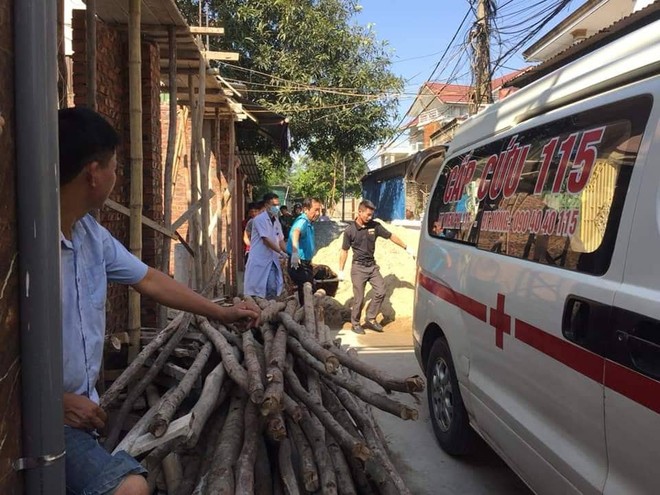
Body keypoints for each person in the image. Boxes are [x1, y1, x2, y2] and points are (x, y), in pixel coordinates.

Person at [58, 107, 261, 495]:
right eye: (115, 168)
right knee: (131, 487)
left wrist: (221, 312)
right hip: (38, 419)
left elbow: (150, 279)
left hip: (81, 414)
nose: (118, 178)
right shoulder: (28, 246)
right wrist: (53, 402)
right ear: (93, 173)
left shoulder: (90, 235)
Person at [338, 199, 415, 334]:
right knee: (359, 298)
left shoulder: (375, 226)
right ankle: (355, 323)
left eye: (371, 214)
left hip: (372, 267)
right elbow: (344, 250)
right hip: (358, 268)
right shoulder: (350, 231)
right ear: (359, 212)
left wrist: (407, 247)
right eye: (367, 214)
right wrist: (340, 270)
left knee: (381, 291)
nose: (370, 217)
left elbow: (391, 236)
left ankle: (370, 318)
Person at [244, 192, 288, 299]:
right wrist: (281, 252)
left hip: (272, 259)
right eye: (274, 205)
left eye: (278, 205)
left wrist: (291, 253)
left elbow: (281, 239)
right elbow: (266, 240)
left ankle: (270, 309)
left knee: (272, 287)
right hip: (260, 259)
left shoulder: (276, 221)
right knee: (259, 291)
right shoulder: (259, 220)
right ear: (267, 205)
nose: (277, 208)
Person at [286, 198, 323, 304]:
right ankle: (306, 316)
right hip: (299, 264)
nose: (318, 213)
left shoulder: (309, 223)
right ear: (306, 209)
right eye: (315, 210)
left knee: (307, 290)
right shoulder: (302, 221)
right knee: (307, 290)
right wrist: (294, 253)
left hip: (305, 263)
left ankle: (306, 315)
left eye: (319, 210)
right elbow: (296, 232)